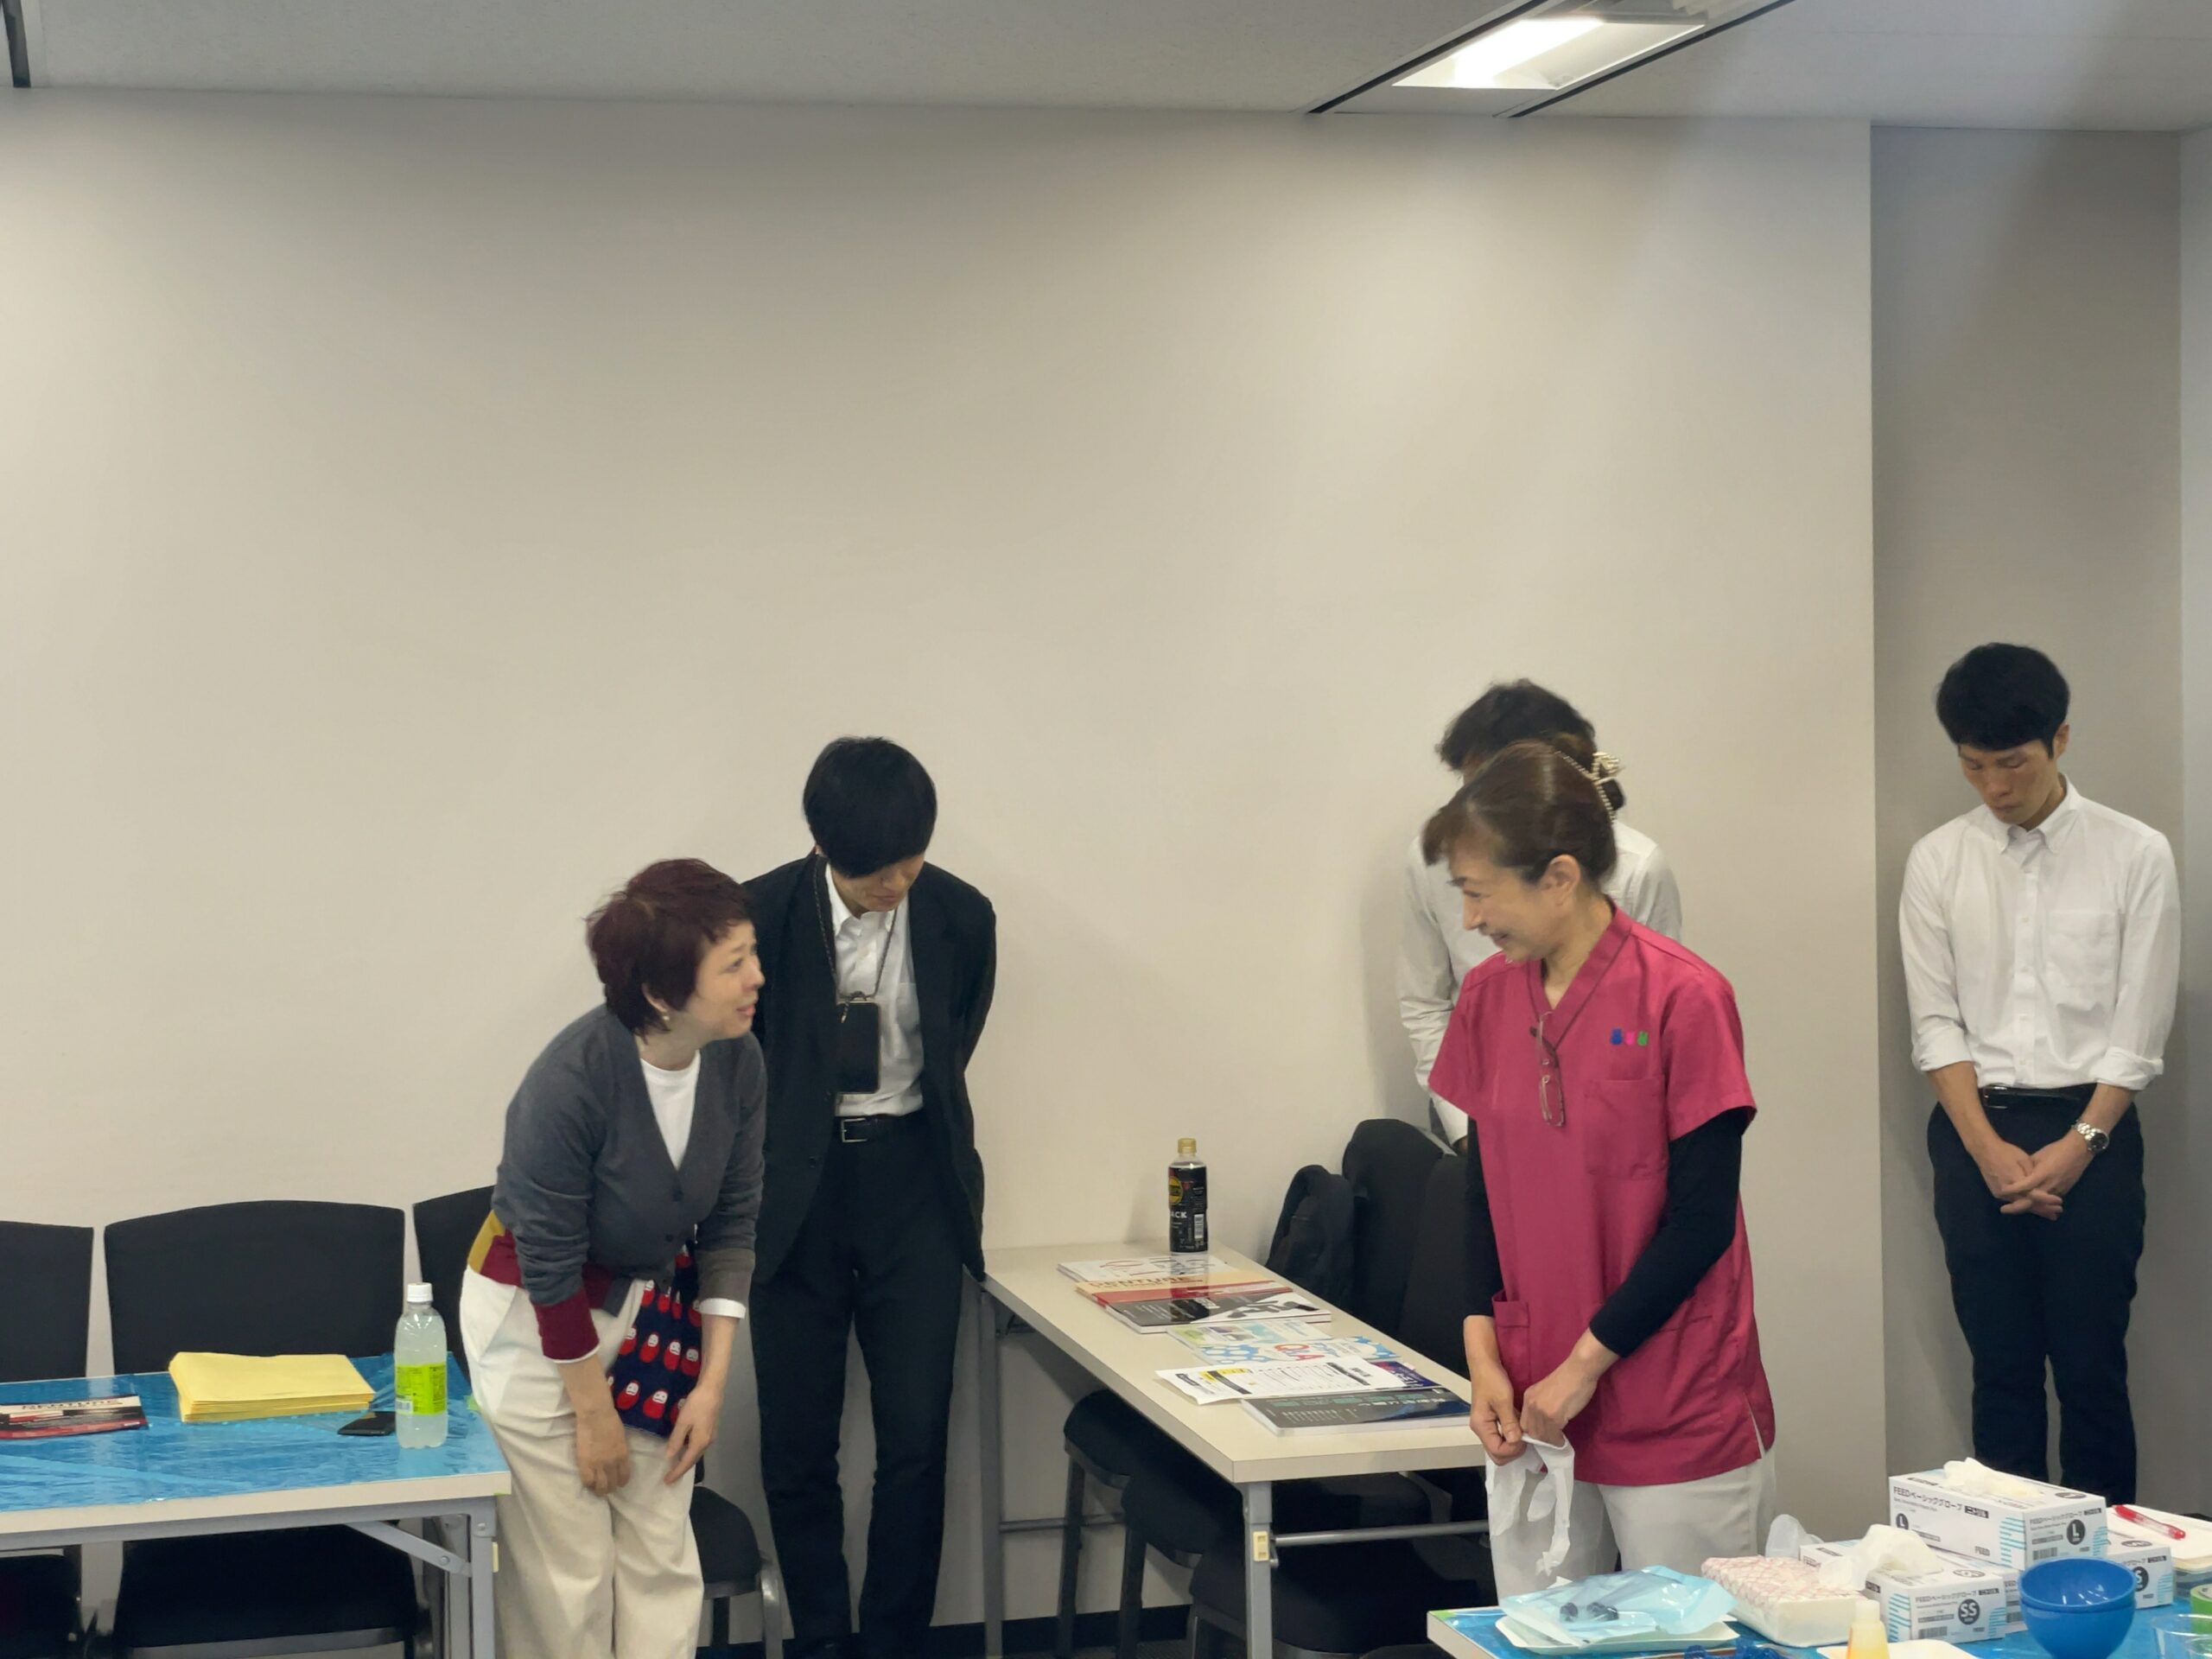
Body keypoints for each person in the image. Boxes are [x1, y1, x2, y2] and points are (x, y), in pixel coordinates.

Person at [1424, 735, 1775, 1595]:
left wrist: (1582, 1368)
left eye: (1479, 892)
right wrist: (1482, 1361)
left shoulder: (1683, 998)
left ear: (1558, 877)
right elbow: (1480, 1192)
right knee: (1534, 1639)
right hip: (1530, 1403)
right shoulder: (1487, 999)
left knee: (1690, 1642)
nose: (1468, 919)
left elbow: (1700, 1223)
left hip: (1669, 1400)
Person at [460, 858, 768, 1659]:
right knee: (568, 1576)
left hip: (654, 1313)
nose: (756, 979)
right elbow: (549, 1264)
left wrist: (712, 1387)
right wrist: (592, 1415)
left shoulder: (738, 1060)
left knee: (662, 1555)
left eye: (752, 954)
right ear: (663, 994)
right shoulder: (571, 1081)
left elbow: (731, 1226)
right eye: (733, 964)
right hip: (540, 1323)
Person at [1899, 644, 2177, 1503]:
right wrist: (1986, 1150)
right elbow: (1935, 1023)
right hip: (1974, 1130)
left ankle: (2107, 1558)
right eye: (1973, 765)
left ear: (2059, 739)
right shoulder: (1938, 860)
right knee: (2000, 1364)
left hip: (2092, 1127)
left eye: (2012, 763)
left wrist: (2081, 1143)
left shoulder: (2135, 853)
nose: (1994, 786)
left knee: (2092, 1365)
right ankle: (2004, 1560)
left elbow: (2138, 1026)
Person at [747, 737, 996, 1659]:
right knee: (797, 1445)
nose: (897, 883)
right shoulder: (757, 917)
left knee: (917, 1440)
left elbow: (957, 1038)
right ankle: (819, 1641)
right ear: (821, 846)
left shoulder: (962, 915)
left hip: (914, 1186)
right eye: (874, 871)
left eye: (910, 861)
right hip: (794, 1196)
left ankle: (894, 1643)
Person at [1402, 681, 1682, 1150]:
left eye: (1495, 789)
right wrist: (1469, 1131)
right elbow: (1424, 1001)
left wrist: (1602, 1105)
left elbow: (1651, 1029)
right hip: (1476, 1108)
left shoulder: (1640, 871)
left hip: (1605, 1121)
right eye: (1469, 787)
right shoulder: (1435, 860)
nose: (1472, 919)